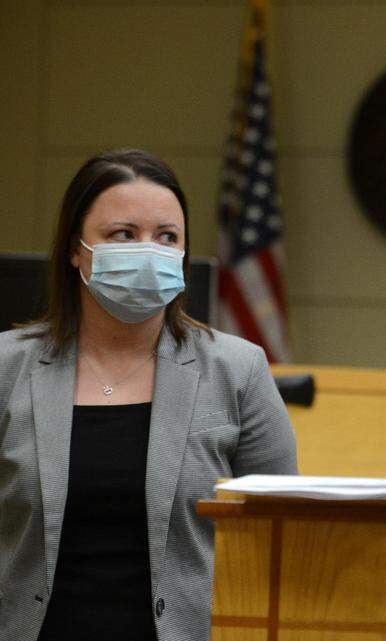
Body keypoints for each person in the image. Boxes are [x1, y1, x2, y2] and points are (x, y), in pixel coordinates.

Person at [0, 149, 298, 640]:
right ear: (76, 248)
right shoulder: (9, 367)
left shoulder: (237, 370)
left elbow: (283, 536)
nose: (148, 251)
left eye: (167, 237)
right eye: (123, 234)